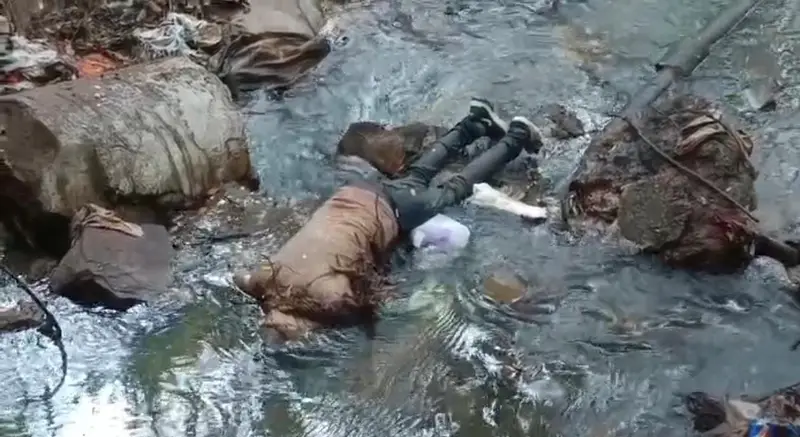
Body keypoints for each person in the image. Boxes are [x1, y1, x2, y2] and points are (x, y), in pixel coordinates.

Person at [232, 98, 544, 340]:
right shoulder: (263, 279)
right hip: (355, 193)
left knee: (458, 188)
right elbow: (238, 279)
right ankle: (475, 122)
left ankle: (517, 136)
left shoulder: (328, 297)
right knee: (420, 173)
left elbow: (370, 314)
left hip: (392, 210)